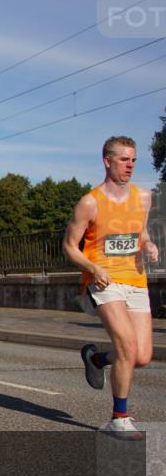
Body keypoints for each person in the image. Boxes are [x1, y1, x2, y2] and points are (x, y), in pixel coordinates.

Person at [64, 135, 158, 440]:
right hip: (105, 281)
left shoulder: (143, 198)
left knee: (142, 356)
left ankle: (96, 359)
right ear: (107, 161)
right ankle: (119, 417)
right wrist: (92, 267)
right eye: (123, 159)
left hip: (136, 280)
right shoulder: (90, 202)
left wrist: (150, 244)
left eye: (133, 160)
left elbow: (140, 233)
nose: (129, 165)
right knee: (127, 347)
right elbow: (69, 246)